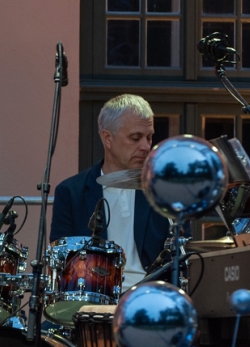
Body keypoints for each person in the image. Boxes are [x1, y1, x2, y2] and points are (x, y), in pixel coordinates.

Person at [51, 94, 170, 281]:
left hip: (151, 293)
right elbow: (60, 263)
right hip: (94, 293)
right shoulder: (71, 192)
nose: (146, 146)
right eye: (135, 138)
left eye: (149, 137)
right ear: (107, 138)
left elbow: (182, 257)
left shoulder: (164, 190)